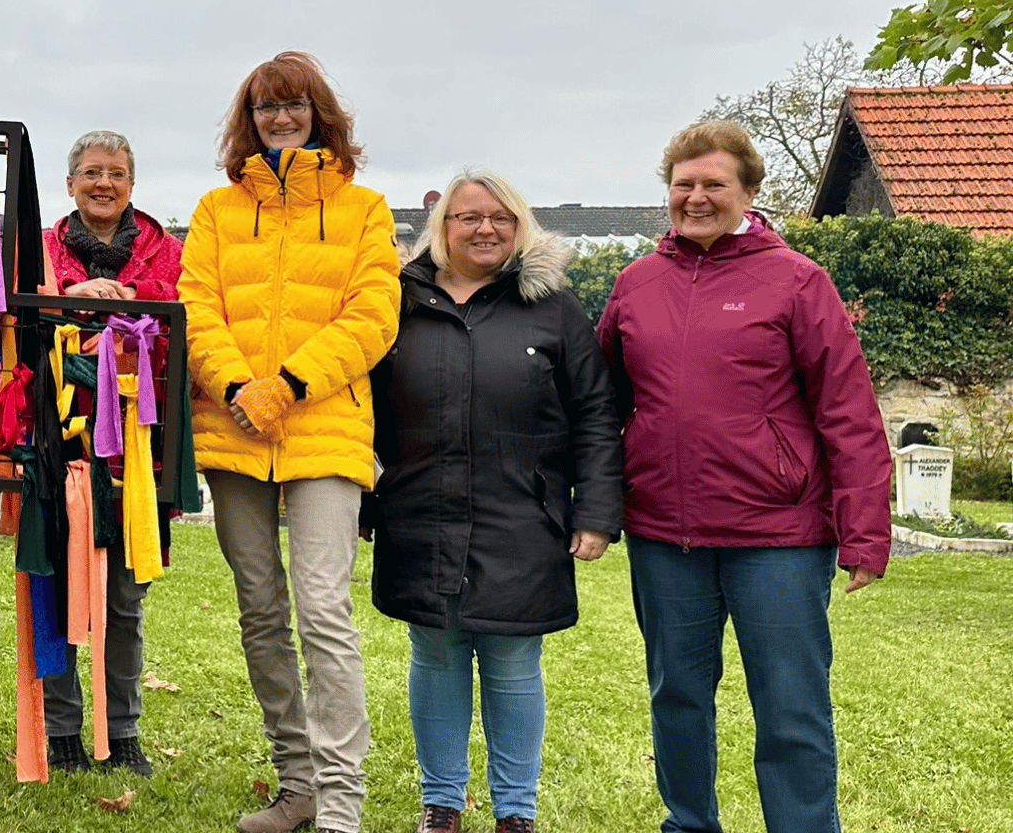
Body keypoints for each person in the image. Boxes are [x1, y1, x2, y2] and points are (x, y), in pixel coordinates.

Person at [596, 120, 892, 833]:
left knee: (790, 705)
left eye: (713, 184)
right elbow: (601, 408)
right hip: (667, 536)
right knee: (678, 698)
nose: (696, 198)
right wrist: (596, 507)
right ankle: (689, 823)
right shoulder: (635, 285)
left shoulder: (797, 281)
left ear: (750, 193)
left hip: (779, 539)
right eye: (683, 185)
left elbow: (848, 412)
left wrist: (865, 532)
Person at [177, 51, 400, 833]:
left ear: (319, 114)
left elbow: (373, 317)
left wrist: (289, 386)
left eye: (294, 105)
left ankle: (341, 804)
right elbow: (195, 308)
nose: (280, 118)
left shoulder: (366, 209)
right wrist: (241, 388)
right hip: (233, 431)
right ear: (250, 117)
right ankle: (296, 783)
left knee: (323, 610)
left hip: (326, 432)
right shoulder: (214, 210)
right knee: (261, 609)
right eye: (267, 107)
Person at [367, 170, 624, 833]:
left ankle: (515, 813)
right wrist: (365, 494)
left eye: (500, 218)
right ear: (441, 227)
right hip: (419, 510)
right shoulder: (396, 300)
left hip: (524, 514)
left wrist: (596, 509)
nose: (485, 229)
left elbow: (596, 410)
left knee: (512, 661)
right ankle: (442, 805)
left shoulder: (555, 305)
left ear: (520, 226)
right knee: (437, 652)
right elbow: (360, 405)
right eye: (469, 218)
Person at [37, 128, 183, 777]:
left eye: (116, 174)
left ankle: (122, 731)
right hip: (57, 442)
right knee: (59, 588)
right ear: (70, 184)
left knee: (125, 599)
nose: (103, 184)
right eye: (91, 173)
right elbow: (10, 324)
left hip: (138, 454)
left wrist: (134, 302)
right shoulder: (36, 251)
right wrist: (67, 301)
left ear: (131, 185)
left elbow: (192, 318)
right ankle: (63, 728)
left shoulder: (168, 253)